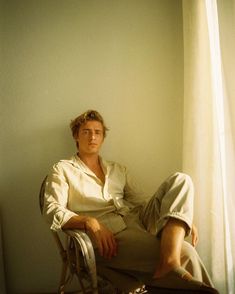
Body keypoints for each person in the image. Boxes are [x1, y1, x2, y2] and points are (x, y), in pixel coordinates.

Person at [43, 110, 218, 293]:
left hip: (137, 222)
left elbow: (143, 201)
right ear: (76, 136)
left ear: (103, 138)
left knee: (182, 179)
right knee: (187, 253)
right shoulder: (62, 169)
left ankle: (169, 264)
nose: (92, 136)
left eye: (98, 132)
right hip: (107, 237)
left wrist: (181, 216)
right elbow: (51, 209)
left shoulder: (117, 169)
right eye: (86, 131)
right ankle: (171, 267)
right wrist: (89, 222)